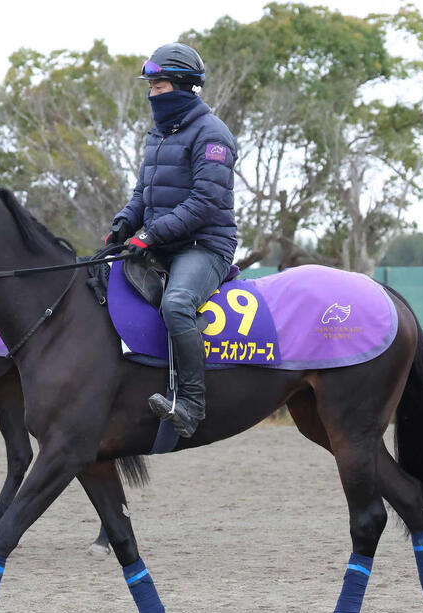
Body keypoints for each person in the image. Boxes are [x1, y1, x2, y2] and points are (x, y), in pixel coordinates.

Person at [109, 43, 238, 438]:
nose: (151, 93)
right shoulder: (159, 134)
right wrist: (124, 223)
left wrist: (149, 234)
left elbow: (202, 204)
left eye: (159, 85)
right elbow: (143, 193)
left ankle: (191, 405)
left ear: (183, 87)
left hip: (204, 246)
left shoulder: (213, 136)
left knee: (178, 304)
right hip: (161, 242)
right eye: (150, 85)